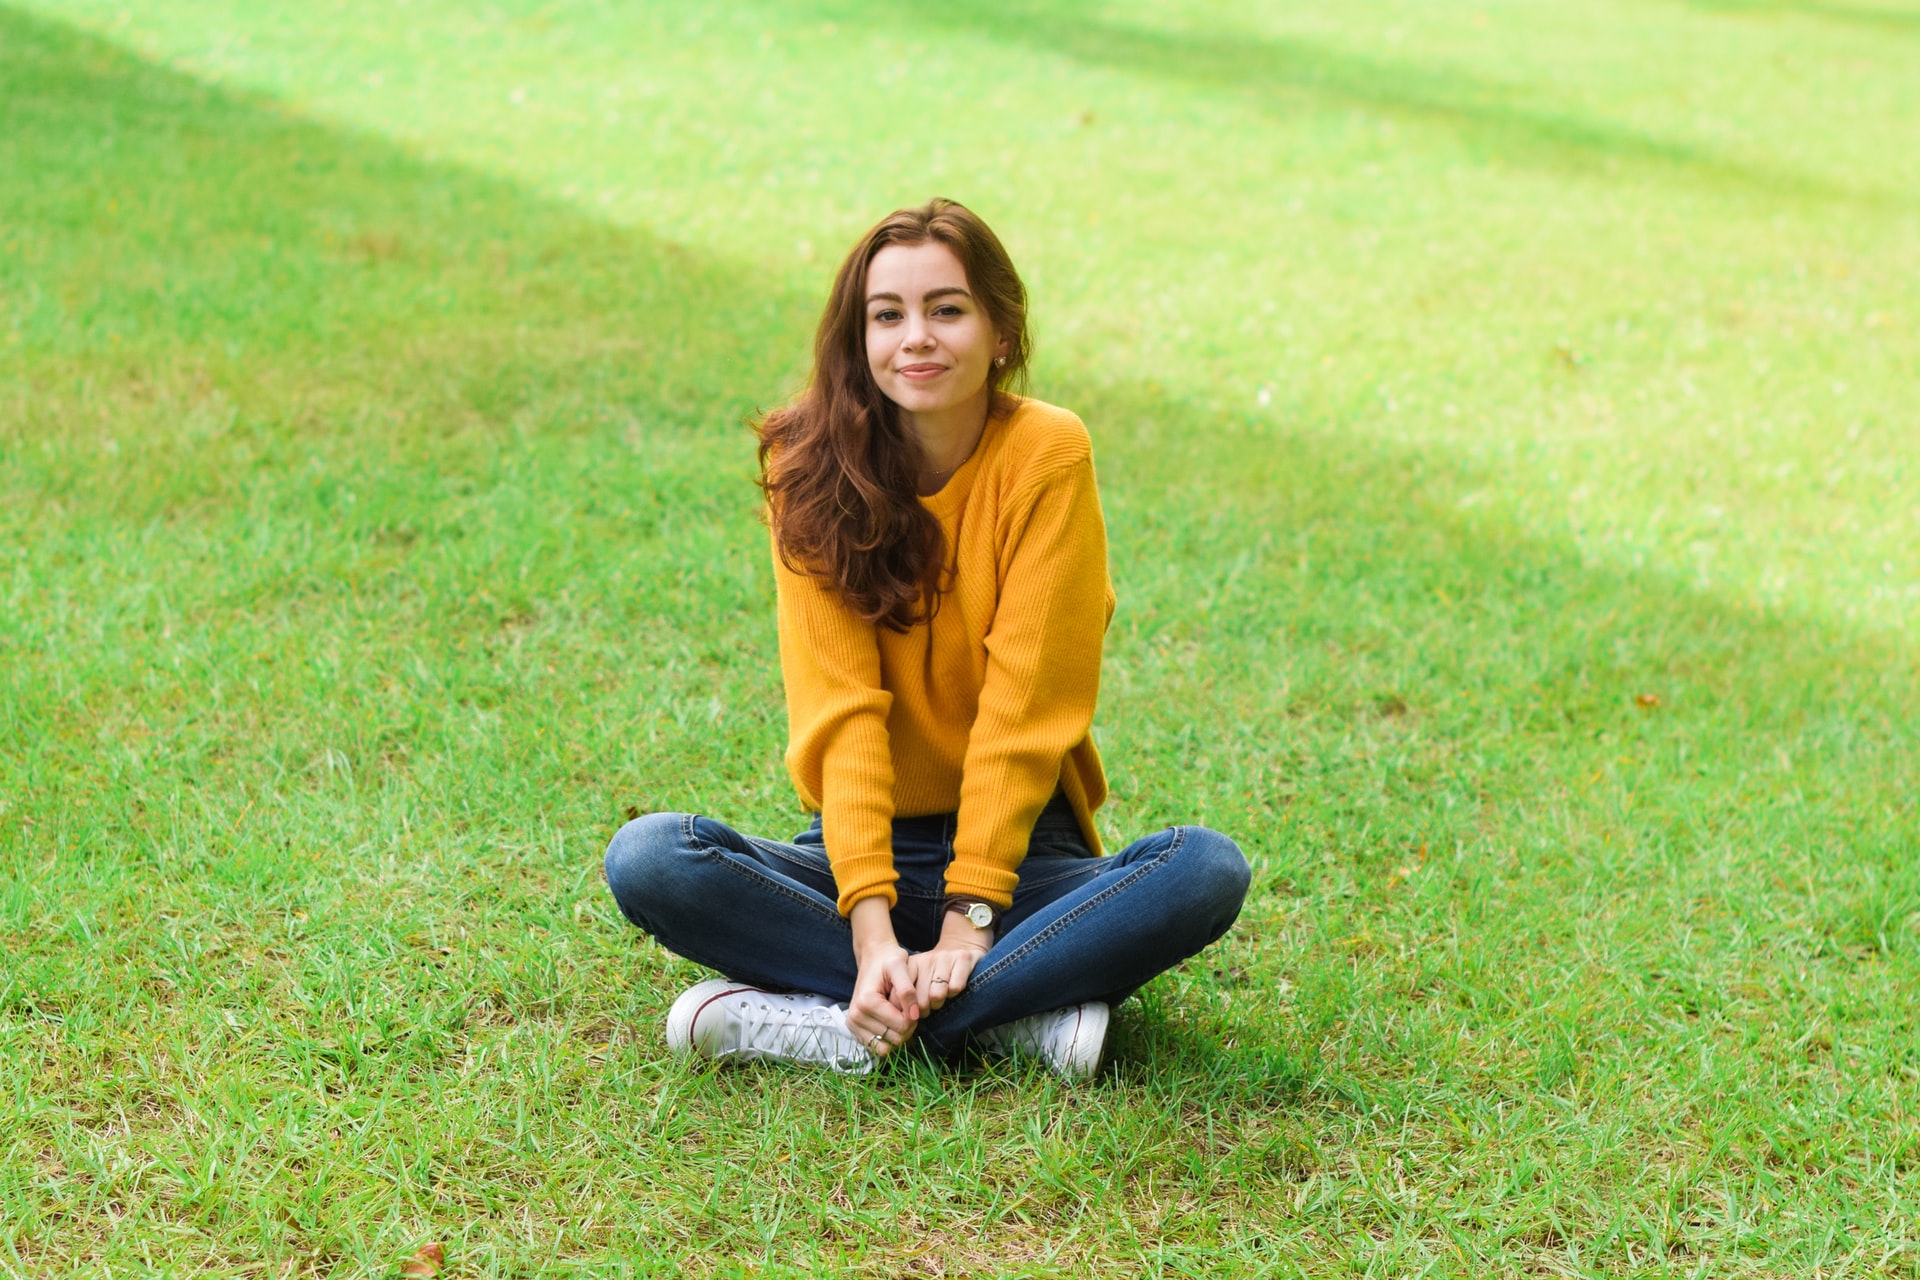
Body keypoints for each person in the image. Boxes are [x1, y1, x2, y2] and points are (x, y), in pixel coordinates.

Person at [602, 198, 1249, 1079]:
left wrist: (969, 918)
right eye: (887, 315)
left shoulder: (1047, 455)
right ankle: (1003, 1015)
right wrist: (871, 927)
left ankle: (842, 1022)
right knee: (652, 859)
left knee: (1202, 870)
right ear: (857, 338)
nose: (917, 337)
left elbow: (1027, 709)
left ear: (1001, 332)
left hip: (1024, 859)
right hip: (860, 852)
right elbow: (843, 713)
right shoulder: (809, 465)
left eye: (947, 309)